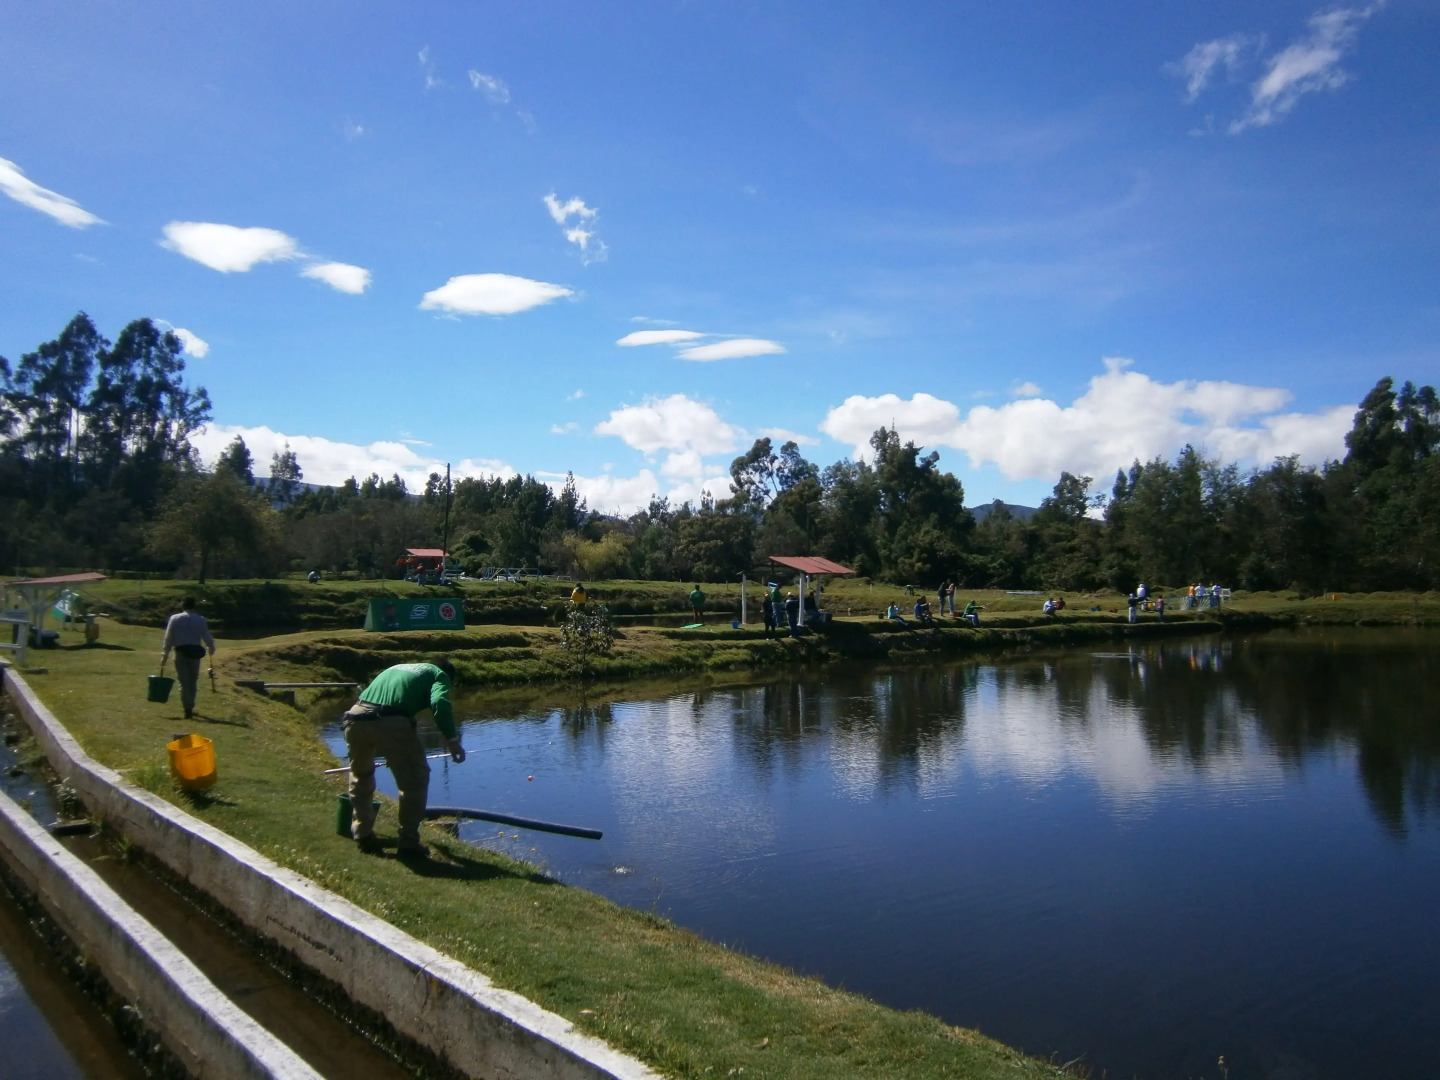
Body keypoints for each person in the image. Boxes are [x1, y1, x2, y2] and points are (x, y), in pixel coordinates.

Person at [343, 660, 465, 858]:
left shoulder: (398, 667)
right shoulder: (439, 675)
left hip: (355, 718)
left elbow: (393, 699)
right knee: (415, 780)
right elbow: (439, 702)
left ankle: (363, 834)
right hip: (390, 722)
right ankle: (408, 843)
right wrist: (452, 739)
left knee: (361, 776)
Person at [160, 597, 215, 721]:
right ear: (194, 606)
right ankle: (190, 704)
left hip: (180, 652)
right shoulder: (200, 619)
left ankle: (187, 707)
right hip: (195, 653)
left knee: (183, 681)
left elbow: (168, 637)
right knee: (192, 680)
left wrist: (165, 653)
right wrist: (210, 646)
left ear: (182, 605)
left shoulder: (175, 619)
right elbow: (206, 634)